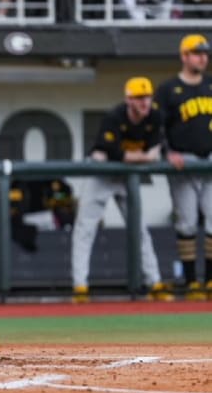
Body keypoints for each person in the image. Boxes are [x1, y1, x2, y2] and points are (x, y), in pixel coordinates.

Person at [71, 76, 173, 303]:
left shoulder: (155, 116)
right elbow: (112, 151)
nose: (144, 102)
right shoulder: (114, 116)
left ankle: (154, 281)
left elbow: (154, 151)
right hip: (102, 176)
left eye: (147, 97)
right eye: (139, 98)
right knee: (85, 229)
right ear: (129, 99)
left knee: (140, 229)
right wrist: (141, 157)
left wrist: (136, 158)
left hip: (126, 178)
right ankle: (80, 286)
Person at [154, 33, 212, 301]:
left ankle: (210, 280)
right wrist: (168, 151)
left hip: (210, 162)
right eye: (197, 53)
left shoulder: (210, 85)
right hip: (184, 163)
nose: (202, 57)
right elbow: (158, 126)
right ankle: (191, 282)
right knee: (187, 222)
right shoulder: (168, 89)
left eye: (204, 53)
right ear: (184, 56)